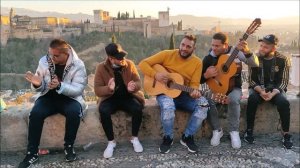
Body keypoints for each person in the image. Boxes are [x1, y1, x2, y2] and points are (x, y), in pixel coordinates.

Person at [18, 39, 88, 168]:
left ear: (66, 53)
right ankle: (32, 153)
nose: (52, 58)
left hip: (70, 98)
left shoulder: (78, 64)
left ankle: (69, 147)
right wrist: (36, 84)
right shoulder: (44, 61)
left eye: (56, 55)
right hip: (47, 97)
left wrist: (60, 85)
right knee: (35, 113)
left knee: (74, 112)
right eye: (50, 54)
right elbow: (39, 85)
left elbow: (78, 89)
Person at [139, 34, 209, 154]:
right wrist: (155, 75)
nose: (184, 48)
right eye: (183, 44)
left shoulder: (197, 62)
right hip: (164, 93)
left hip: (183, 95)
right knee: (168, 107)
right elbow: (143, 64)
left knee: (203, 105)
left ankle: (187, 136)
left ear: (193, 49)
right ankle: (168, 138)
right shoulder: (166, 54)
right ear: (179, 44)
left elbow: (194, 83)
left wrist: (194, 92)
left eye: (188, 46)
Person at [200, 32, 258, 149]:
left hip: (234, 88)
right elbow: (199, 79)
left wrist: (247, 51)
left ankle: (234, 132)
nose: (213, 48)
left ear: (225, 45)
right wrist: (206, 75)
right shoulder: (208, 58)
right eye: (212, 45)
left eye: (217, 46)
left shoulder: (236, 52)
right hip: (217, 88)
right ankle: (217, 130)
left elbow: (254, 64)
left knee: (234, 99)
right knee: (207, 100)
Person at [94, 43, 145, 158]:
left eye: (122, 56)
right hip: (110, 98)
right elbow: (97, 90)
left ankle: (134, 138)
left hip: (127, 97)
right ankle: (111, 142)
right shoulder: (101, 68)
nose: (122, 59)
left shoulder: (129, 64)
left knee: (137, 108)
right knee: (103, 110)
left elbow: (138, 82)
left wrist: (133, 87)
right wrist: (108, 88)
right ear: (110, 58)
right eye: (118, 57)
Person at [244, 34, 293, 149]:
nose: (261, 48)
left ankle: (286, 134)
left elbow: (284, 81)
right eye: (261, 45)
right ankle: (249, 130)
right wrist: (261, 92)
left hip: (275, 90)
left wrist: (273, 93)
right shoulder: (254, 58)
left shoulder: (282, 59)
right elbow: (251, 80)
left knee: (284, 103)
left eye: (265, 47)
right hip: (258, 89)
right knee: (252, 99)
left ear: (273, 48)